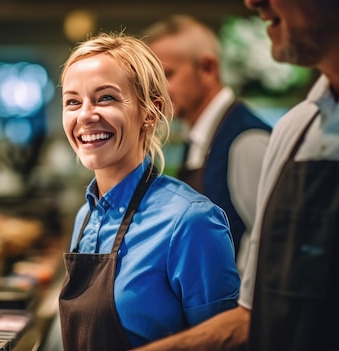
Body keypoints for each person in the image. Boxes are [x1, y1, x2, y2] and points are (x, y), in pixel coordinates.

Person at [132, 0, 339, 350]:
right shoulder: (295, 128)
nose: (251, 2)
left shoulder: (247, 140)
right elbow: (256, 311)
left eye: (166, 74)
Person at [58, 31, 240, 351]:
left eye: (106, 98)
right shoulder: (85, 216)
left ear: (150, 112)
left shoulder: (190, 220)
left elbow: (224, 341)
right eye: (73, 101)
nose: (85, 115)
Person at [141, 15, 272, 264]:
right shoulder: (198, 138)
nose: (154, 92)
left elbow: (271, 248)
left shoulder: (247, 140)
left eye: (167, 74)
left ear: (208, 69)